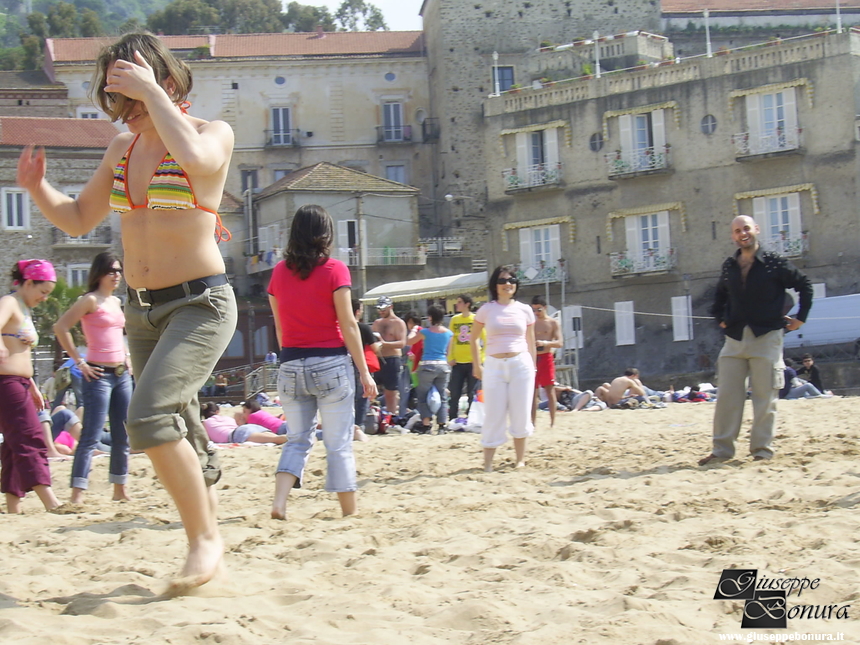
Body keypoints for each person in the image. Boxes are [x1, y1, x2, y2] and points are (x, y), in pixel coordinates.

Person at [17, 32, 238, 590]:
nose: (124, 111)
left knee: (146, 420)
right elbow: (75, 219)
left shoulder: (211, 133)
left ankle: (204, 541)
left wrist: (152, 96)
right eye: (116, 99)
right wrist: (37, 187)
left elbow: (194, 159)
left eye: (132, 96)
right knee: (180, 424)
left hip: (200, 303)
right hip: (140, 312)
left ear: (164, 82)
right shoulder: (122, 147)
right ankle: (207, 517)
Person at [268, 204, 377, 520]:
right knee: (338, 444)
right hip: (329, 362)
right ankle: (349, 512)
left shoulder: (277, 273)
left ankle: (279, 503)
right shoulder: (334, 270)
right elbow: (348, 323)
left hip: (290, 363)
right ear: (325, 235)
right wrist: (364, 371)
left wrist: (290, 359)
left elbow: (279, 326)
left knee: (296, 440)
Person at [699, 215, 813, 466]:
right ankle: (722, 451)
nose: (743, 233)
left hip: (767, 338)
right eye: (738, 230)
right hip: (734, 340)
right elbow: (719, 295)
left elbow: (804, 285)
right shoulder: (729, 265)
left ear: (756, 230)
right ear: (733, 235)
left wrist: (800, 319)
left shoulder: (774, 264)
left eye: (747, 228)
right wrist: (720, 317)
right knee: (727, 397)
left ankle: (762, 451)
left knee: (765, 398)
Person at [53, 252, 132, 505]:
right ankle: (77, 493)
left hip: (121, 374)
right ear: (99, 273)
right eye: (112, 271)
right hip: (98, 374)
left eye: (119, 271)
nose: (117, 276)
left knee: (122, 434)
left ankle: (119, 489)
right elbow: (61, 327)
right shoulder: (89, 300)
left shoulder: (116, 302)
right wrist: (79, 361)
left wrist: (127, 355)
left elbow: (119, 333)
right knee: (91, 434)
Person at [0, 259, 61, 512]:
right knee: (30, 437)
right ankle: (51, 501)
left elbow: (21, 352)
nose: (44, 298)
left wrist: (32, 385)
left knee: (15, 443)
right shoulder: (9, 302)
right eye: (42, 291)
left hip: (20, 382)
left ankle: (13, 505)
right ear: (27, 283)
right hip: (6, 382)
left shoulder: (24, 308)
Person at [470, 266, 536, 473]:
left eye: (512, 280)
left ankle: (520, 460)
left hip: (520, 363)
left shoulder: (525, 309)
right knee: (493, 413)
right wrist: (476, 364)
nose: (508, 284)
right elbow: (473, 338)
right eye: (503, 281)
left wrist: (533, 366)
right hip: (494, 365)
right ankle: (488, 462)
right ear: (495, 285)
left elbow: (530, 340)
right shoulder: (487, 309)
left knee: (520, 412)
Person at [407, 304, 454, 434]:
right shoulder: (449, 333)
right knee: (443, 396)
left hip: (427, 365)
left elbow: (409, 342)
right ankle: (442, 425)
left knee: (422, 396)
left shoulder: (425, 332)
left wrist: (413, 330)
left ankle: (426, 425)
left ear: (430, 317)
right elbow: (448, 352)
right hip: (443, 365)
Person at [447, 294, 483, 421]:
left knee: (471, 393)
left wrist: (481, 359)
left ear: (467, 304)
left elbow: (485, 339)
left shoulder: (476, 319)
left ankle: (471, 417)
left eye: (460, 302)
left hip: (473, 362)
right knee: (454, 392)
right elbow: (451, 339)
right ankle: (452, 418)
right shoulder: (454, 319)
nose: (457, 304)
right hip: (457, 362)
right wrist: (450, 357)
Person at [531, 295, 563, 427]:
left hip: (546, 357)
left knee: (550, 391)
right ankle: (532, 422)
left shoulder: (553, 323)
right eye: (534, 310)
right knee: (532, 392)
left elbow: (560, 342)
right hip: (533, 357)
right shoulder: (531, 323)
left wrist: (545, 343)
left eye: (539, 309)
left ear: (545, 308)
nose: (536, 313)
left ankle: (552, 422)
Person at [371, 296, 407, 417]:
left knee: (390, 392)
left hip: (392, 359)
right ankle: (373, 416)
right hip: (377, 359)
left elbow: (402, 343)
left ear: (390, 307)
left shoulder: (398, 323)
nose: (381, 311)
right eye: (379, 309)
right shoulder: (377, 323)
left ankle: (391, 417)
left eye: (384, 309)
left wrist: (384, 343)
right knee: (372, 389)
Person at [353, 299, 380, 438]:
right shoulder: (364, 328)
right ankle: (359, 426)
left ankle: (348, 426)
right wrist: (381, 342)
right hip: (361, 364)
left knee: (348, 397)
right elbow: (375, 348)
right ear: (357, 311)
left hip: (343, 364)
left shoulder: (340, 326)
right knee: (363, 397)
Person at [201, 402, 286, 445]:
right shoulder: (226, 418)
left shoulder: (204, 423)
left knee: (275, 439)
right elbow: (237, 416)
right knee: (275, 437)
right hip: (248, 428)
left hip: (236, 434)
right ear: (217, 411)